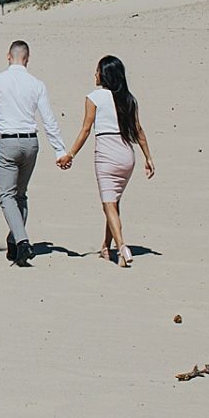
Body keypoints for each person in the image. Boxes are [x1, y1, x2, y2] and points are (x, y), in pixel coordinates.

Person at [0, 40, 67, 267]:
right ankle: (14, 241)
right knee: (21, 195)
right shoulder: (37, 84)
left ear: (8, 56)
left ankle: (22, 242)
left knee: (6, 196)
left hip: (7, 143)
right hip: (31, 142)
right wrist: (60, 150)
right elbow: (48, 119)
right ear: (27, 58)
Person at [57, 55, 156, 267]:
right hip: (127, 155)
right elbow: (138, 130)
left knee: (108, 204)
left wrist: (70, 155)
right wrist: (148, 157)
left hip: (106, 154)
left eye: (97, 70)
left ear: (105, 74)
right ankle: (105, 247)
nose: (95, 74)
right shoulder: (129, 99)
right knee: (113, 202)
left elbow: (85, 129)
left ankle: (122, 248)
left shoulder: (94, 97)